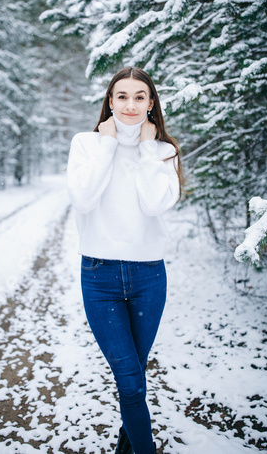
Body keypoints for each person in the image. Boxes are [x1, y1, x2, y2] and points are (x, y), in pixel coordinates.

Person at [67, 66, 183, 454]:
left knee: (133, 375)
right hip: (99, 277)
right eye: (121, 96)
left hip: (149, 276)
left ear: (151, 103)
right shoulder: (86, 144)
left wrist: (148, 149)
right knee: (130, 380)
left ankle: (126, 448)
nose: (130, 104)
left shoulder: (165, 151)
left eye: (139, 97)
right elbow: (83, 200)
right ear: (110, 101)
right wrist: (108, 145)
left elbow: (153, 205)